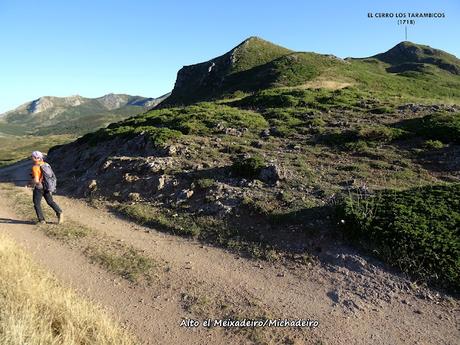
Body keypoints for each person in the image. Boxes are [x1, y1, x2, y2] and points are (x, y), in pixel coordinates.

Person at [29, 151, 64, 224]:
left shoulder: (35, 167)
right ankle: (59, 212)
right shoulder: (46, 164)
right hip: (47, 186)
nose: (31, 158)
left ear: (36, 158)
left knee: (36, 203)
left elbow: (36, 180)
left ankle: (42, 220)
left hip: (39, 188)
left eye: (32, 157)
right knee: (50, 202)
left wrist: (30, 183)